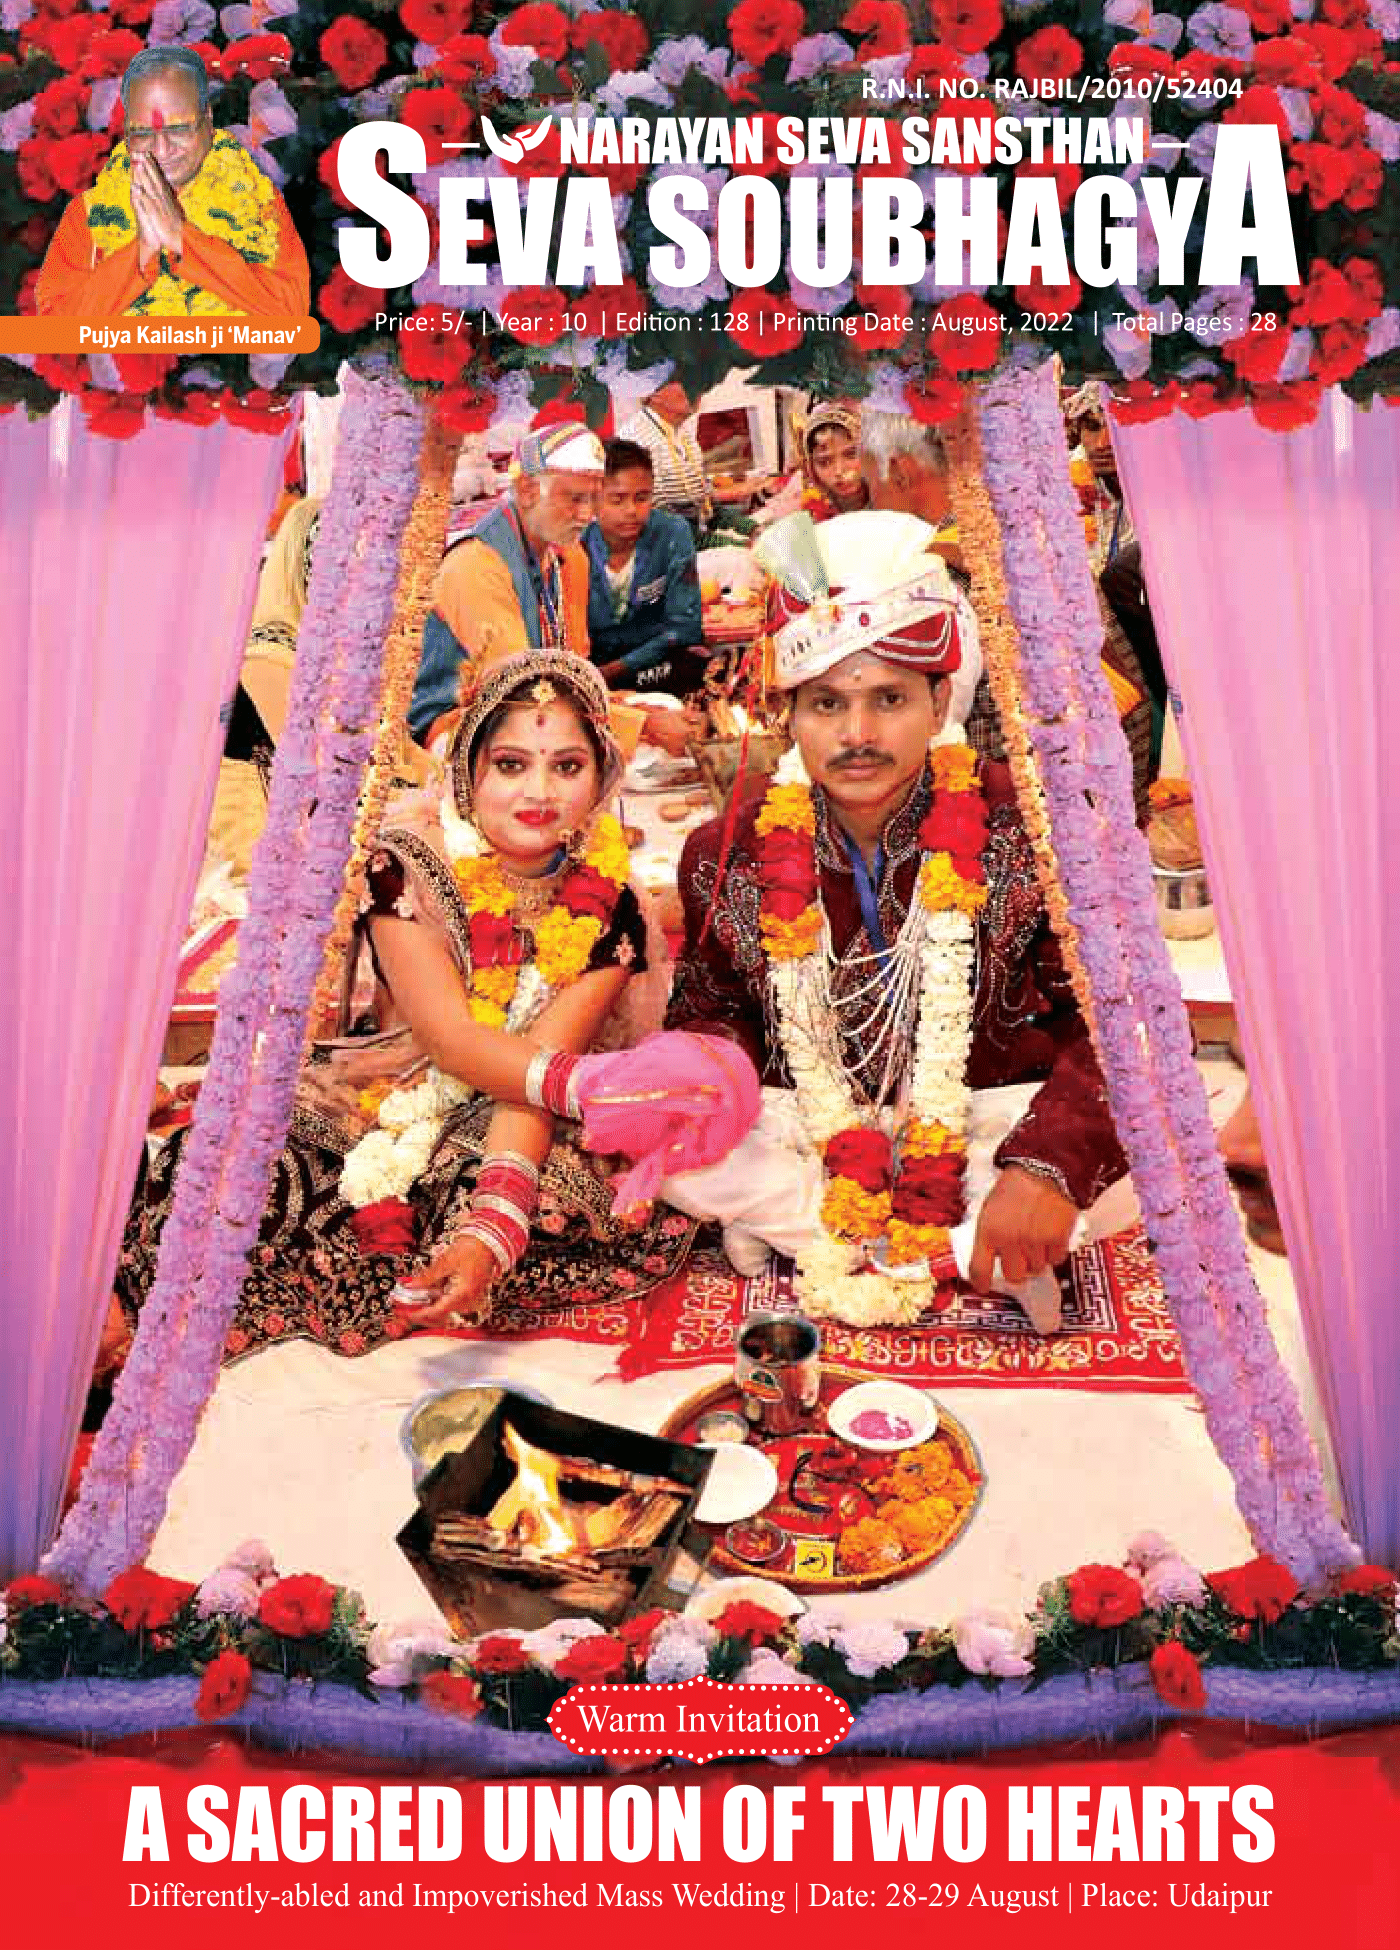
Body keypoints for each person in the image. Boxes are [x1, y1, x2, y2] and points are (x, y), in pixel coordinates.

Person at [115, 652, 694, 1351]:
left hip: (523, 1106)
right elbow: (451, 1041)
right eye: (511, 765)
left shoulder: (610, 901)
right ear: (469, 768)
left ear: (601, 777)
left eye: (567, 767)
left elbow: (535, 1076)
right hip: (392, 1082)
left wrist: (493, 1227)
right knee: (241, 1170)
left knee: (552, 1210)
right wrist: (609, 1087)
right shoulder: (406, 864)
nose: (539, 791)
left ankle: (466, 1259)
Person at [661, 510, 1128, 1334]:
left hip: (983, 1120)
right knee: (677, 1143)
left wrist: (1048, 1166)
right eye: (827, 703)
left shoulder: (1035, 831)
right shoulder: (724, 853)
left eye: (889, 699)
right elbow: (713, 1016)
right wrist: (699, 1083)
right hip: (811, 1132)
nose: (858, 735)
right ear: (790, 713)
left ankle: (837, 1231)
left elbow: (1122, 1022)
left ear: (940, 699)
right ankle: (950, 1250)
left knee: (1136, 1145)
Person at [865, 410, 1153, 819]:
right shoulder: (1027, 535)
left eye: (869, 482)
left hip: (1023, 825)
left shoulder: (936, 576)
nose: (871, 499)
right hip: (1112, 802)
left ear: (899, 471)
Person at [35, 47, 309, 319]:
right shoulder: (88, 214)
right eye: (143, 132)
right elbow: (53, 329)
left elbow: (291, 316)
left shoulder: (258, 200)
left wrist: (181, 238)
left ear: (208, 120)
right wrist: (142, 253)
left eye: (178, 128)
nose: (162, 150)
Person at [584, 440, 708, 695]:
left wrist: (614, 671)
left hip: (652, 659)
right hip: (591, 666)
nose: (632, 510)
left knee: (693, 665)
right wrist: (590, 676)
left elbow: (686, 627)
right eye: (617, 500)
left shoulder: (672, 533)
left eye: (642, 498)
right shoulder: (574, 545)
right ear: (593, 500)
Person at [618, 380, 757, 545]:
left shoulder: (682, 436)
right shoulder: (635, 441)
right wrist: (739, 544)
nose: (698, 387)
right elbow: (666, 536)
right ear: (653, 393)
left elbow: (708, 508)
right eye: (685, 379)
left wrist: (752, 528)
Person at [797, 402, 871, 522]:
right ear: (812, 470)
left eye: (851, 455)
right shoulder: (808, 520)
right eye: (824, 462)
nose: (839, 471)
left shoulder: (897, 506)